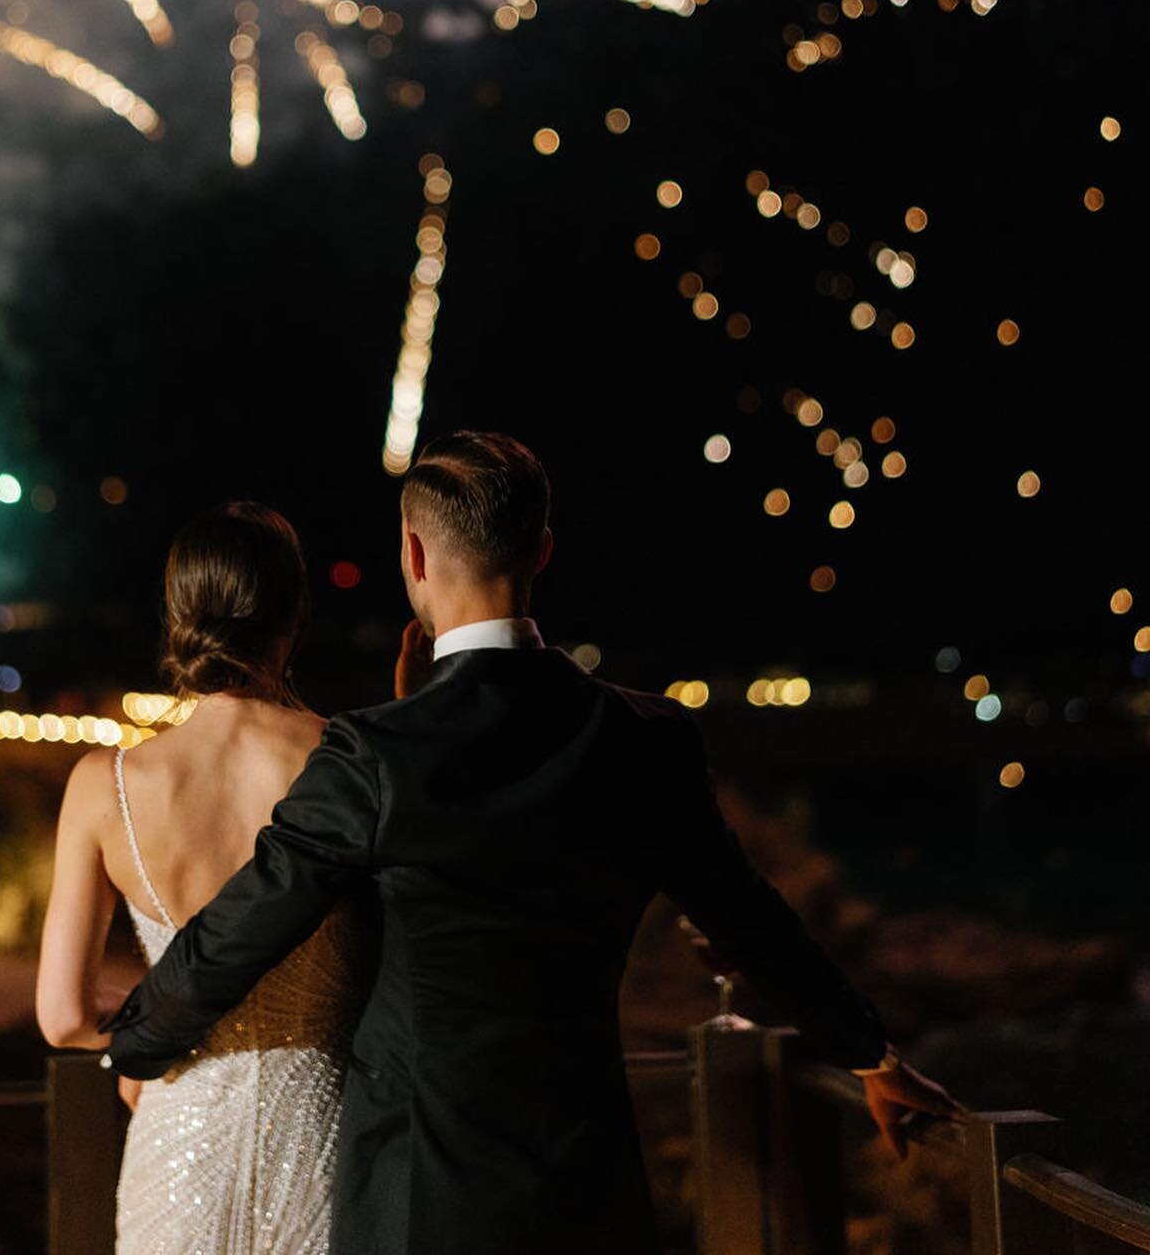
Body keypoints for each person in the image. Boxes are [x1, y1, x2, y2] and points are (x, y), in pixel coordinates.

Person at [106, 431, 958, 1254]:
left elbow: (240, 929)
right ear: (542, 551)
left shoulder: (375, 755)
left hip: (416, 1198)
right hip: (585, 1186)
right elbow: (754, 925)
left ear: (413, 556)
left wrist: (134, 1041)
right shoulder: (646, 741)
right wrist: (873, 1056)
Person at [36, 502, 362, 1255]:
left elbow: (61, 1016)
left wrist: (148, 1021)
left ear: (179, 616)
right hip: (323, 1137)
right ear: (294, 614)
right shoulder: (347, 758)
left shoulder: (106, 783)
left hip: (178, 1135)